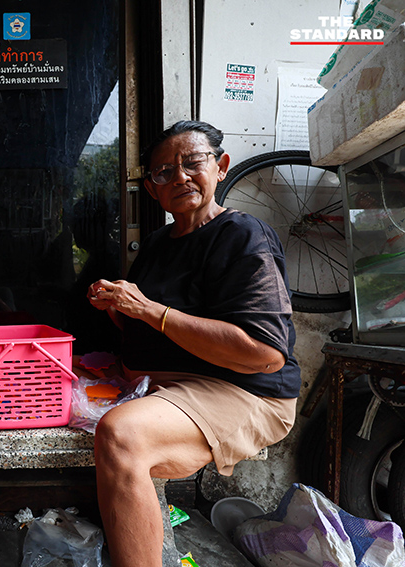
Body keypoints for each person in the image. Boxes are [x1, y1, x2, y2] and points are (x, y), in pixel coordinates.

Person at [86, 120, 300, 567]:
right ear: (151, 189)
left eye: (192, 163)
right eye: (163, 172)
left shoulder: (243, 236)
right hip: (174, 386)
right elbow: (157, 331)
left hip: (242, 391)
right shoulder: (158, 244)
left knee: (122, 435)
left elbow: (263, 354)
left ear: (220, 167)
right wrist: (120, 311)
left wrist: (148, 310)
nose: (179, 177)